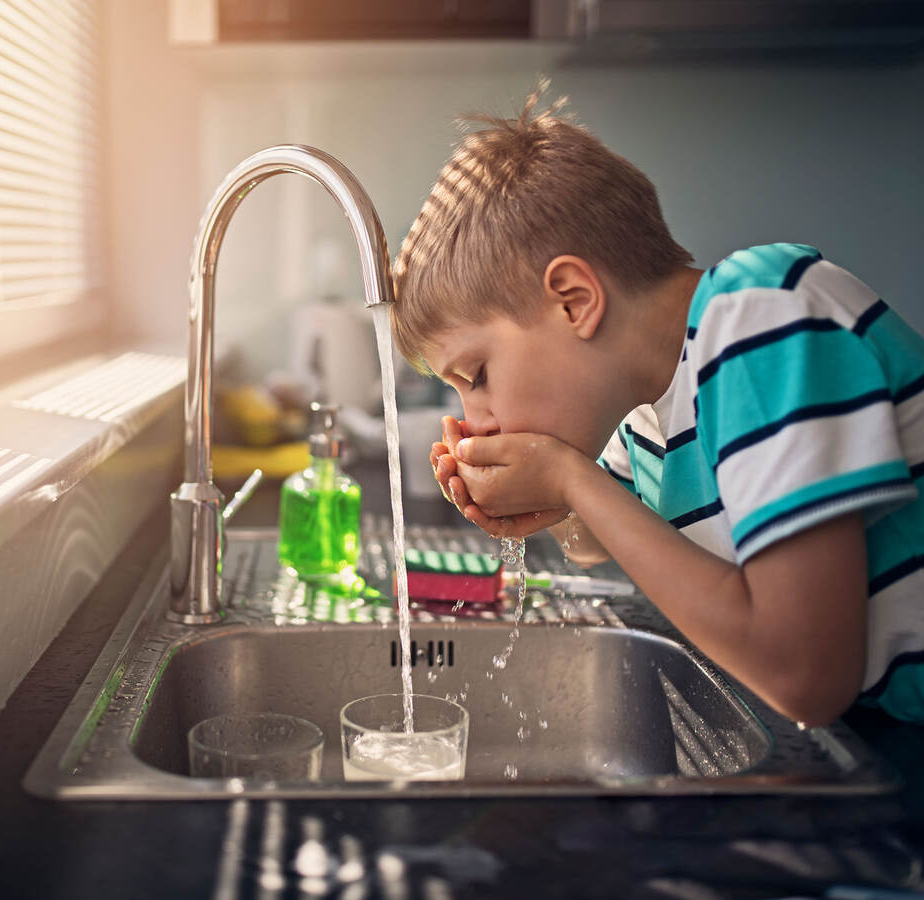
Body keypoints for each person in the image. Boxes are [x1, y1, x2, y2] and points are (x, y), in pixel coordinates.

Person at [390, 82, 924, 727]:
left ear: (574, 300)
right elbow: (599, 538)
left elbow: (806, 678)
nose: (474, 419)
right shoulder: (649, 399)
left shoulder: (760, 317)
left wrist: (569, 478)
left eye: (475, 374)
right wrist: (546, 503)